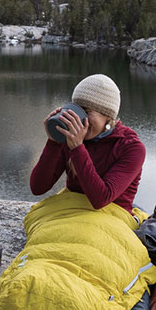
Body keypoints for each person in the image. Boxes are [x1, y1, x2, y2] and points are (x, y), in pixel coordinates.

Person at [30, 74, 145, 212]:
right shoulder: (72, 136)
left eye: (87, 111)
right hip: (73, 207)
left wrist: (77, 148)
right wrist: (53, 142)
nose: (79, 119)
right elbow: (38, 188)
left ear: (108, 116)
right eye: (76, 109)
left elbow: (101, 199)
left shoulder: (131, 147)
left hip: (113, 214)